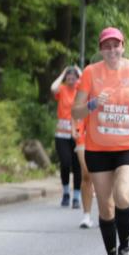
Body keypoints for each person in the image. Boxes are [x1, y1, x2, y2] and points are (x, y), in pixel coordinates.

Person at [72, 27, 129, 255]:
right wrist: (94, 104)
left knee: (122, 196)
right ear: (100, 49)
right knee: (106, 208)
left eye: (115, 45)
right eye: (106, 46)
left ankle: (126, 249)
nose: (111, 50)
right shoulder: (90, 73)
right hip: (98, 148)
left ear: (123, 46)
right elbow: (76, 112)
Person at [50, 66, 83, 208]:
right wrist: (63, 72)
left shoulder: (80, 90)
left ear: (77, 79)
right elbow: (53, 88)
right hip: (62, 134)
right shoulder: (62, 89)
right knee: (65, 163)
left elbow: (90, 84)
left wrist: (80, 71)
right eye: (68, 77)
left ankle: (76, 197)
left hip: (78, 133)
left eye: (73, 77)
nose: (70, 79)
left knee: (77, 166)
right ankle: (65, 193)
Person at [73, 116, 96, 229]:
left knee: (107, 175)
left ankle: (106, 214)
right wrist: (74, 128)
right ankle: (86, 216)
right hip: (83, 132)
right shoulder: (81, 97)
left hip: (103, 133)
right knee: (86, 174)